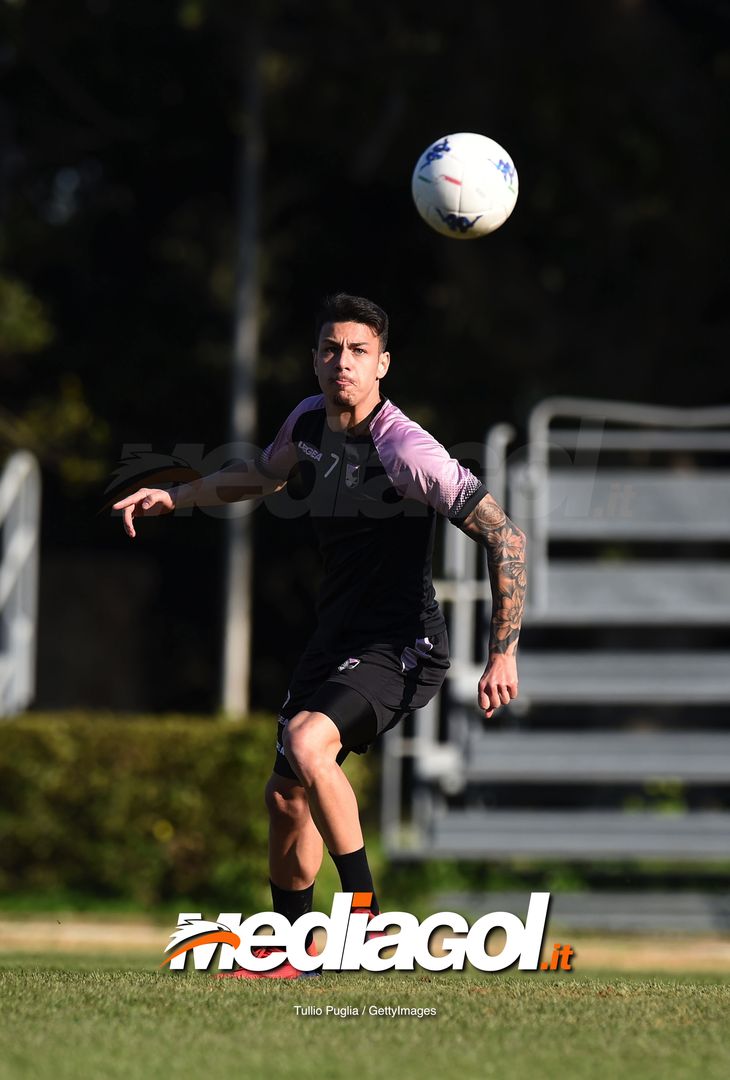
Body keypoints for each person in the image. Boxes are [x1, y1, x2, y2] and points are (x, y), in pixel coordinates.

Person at [113, 292, 526, 979]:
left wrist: (502, 652)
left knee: (309, 742)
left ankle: (363, 922)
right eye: (332, 349)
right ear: (314, 360)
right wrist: (178, 494)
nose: (344, 362)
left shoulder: (406, 449)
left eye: (359, 352)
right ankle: (293, 951)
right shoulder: (309, 421)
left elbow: (504, 535)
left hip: (401, 645)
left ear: (383, 365)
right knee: (284, 796)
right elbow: (262, 476)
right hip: (334, 640)